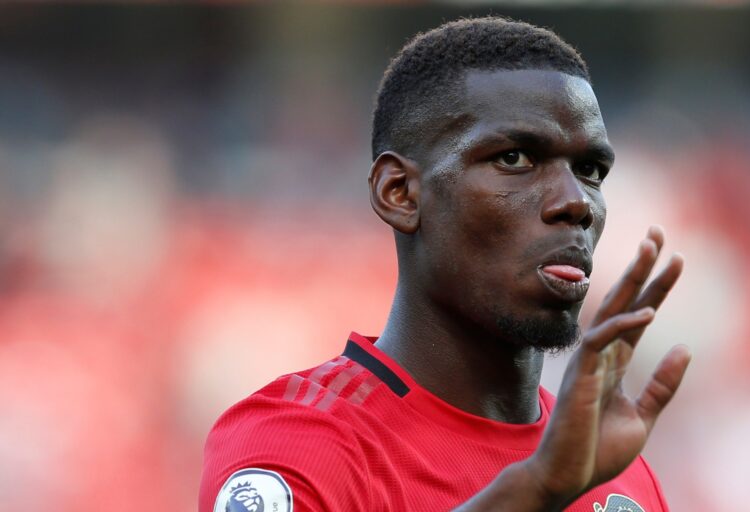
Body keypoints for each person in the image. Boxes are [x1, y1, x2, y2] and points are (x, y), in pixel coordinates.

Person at [199, 16, 690, 512]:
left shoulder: (618, 477)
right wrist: (537, 490)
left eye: (589, 170)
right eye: (515, 158)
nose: (576, 202)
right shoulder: (299, 442)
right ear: (400, 194)